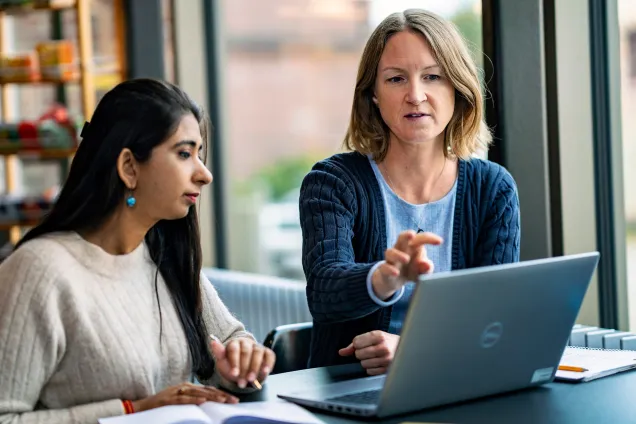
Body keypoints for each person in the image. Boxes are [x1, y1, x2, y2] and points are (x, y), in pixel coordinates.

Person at [0, 79, 275, 423]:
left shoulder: (166, 256)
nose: (204, 174)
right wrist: (131, 411)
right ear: (129, 167)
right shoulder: (39, 270)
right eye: (184, 154)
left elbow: (231, 339)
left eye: (199, 154)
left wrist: (239, 362)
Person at [299, 9, 520, 373]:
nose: (415, 96)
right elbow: (324, 293)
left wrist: (414, 351)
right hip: (352, 389)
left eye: (432, 77)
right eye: (396, 79)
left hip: (457, 382)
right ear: (373, 94)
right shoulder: (333, 182)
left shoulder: (493, 188)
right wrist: (386, 276)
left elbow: (494, 319)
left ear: (458, 89)